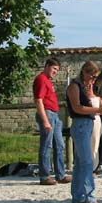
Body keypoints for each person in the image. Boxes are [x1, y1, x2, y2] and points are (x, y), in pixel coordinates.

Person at [66, 61, 102, 203]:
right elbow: (77, 107)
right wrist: (98, 111)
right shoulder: (74, 86)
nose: (93, 79)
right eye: (92, 76)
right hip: (80, 124)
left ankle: (78, 196)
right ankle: (89, 196)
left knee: (81, 163)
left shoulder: (85, 87)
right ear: (84, 72)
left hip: (87, 124)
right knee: (86, 162)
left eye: (95, 77)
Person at [33, 58, 72, 186]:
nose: (55, 71)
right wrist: (45, 120)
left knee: (59, 145)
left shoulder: (48, 81)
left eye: (57, 70)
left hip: (54, 114)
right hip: (47, 114)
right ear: (47, 66)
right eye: (54, 68)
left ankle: (60, 174)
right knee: (46, 146)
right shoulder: (41, 79)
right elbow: (39, 100)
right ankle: (44, 176)